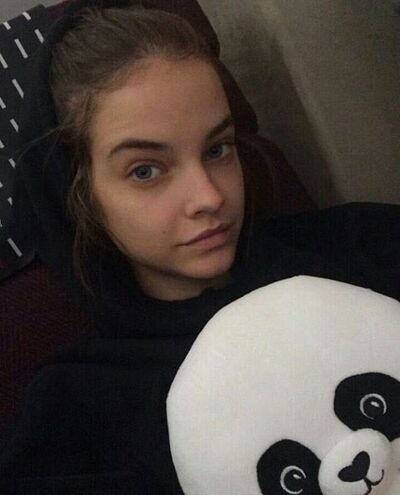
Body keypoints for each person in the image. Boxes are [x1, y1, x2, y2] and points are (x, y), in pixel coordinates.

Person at [0, 0, 399, 493]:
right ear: (78, 194)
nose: (209, 197)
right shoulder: (77, 414)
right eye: (146, 170)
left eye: (217, 149)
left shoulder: (359, 244)